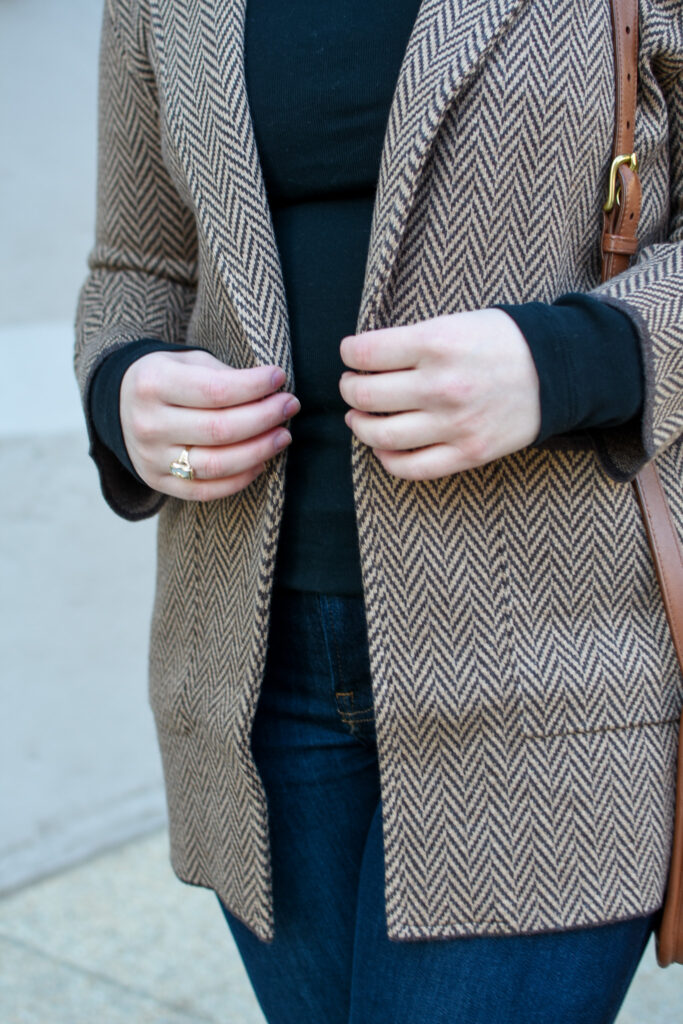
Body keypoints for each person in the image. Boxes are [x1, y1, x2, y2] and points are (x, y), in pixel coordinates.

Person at [74, 1, 683, 1021]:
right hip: (256, 692)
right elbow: (139, 268)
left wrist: (576, 361)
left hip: (555, 664)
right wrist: (125, 394)